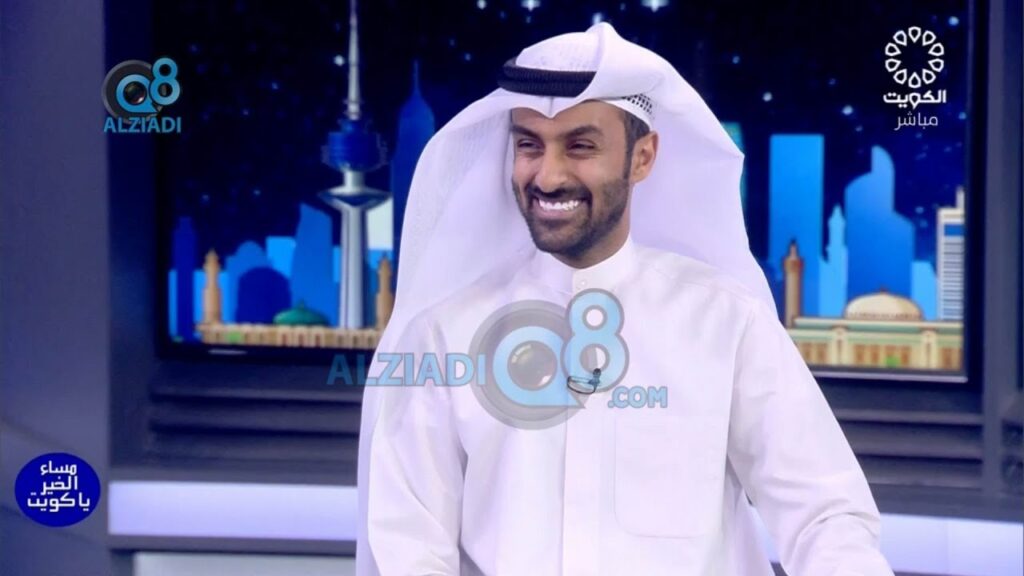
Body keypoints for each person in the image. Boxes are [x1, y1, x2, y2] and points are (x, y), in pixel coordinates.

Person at [356, 23, 894, 575]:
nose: (548, 175)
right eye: (529, 145)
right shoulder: (447, 334)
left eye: (580, 146)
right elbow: (409, 541)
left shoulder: (727, 323)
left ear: (642, 157)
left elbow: (825, 514)